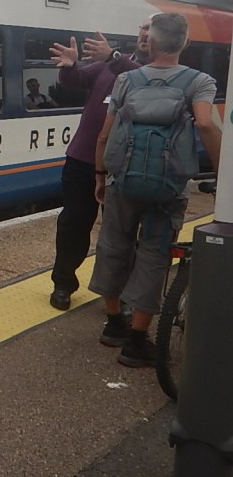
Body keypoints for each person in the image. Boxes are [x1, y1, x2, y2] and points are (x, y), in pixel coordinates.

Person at [88, 12, 221, 367]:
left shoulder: (127, 80)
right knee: (154, 254)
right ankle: (136, 342)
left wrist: (100, 176)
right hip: (168, 186)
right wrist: (224, 170)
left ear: (151, 41)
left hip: (122, 181)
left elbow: (104, 134)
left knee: (114, 245)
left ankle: (114, 324)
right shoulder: (199, 82)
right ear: (185, 43)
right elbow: (206, 124)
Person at [45, 20, 151, 310]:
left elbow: (144, 81)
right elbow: (76, 80)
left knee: (121, 231)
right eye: (142, 27)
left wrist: (114, 58)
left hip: (125, 165)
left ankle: (119, 293)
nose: (145, 33)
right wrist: (69, 66)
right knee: (73, 223)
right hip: (83, 158)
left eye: (152, 28)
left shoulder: (158, 72)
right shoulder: (110, 63)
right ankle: (63, 283)